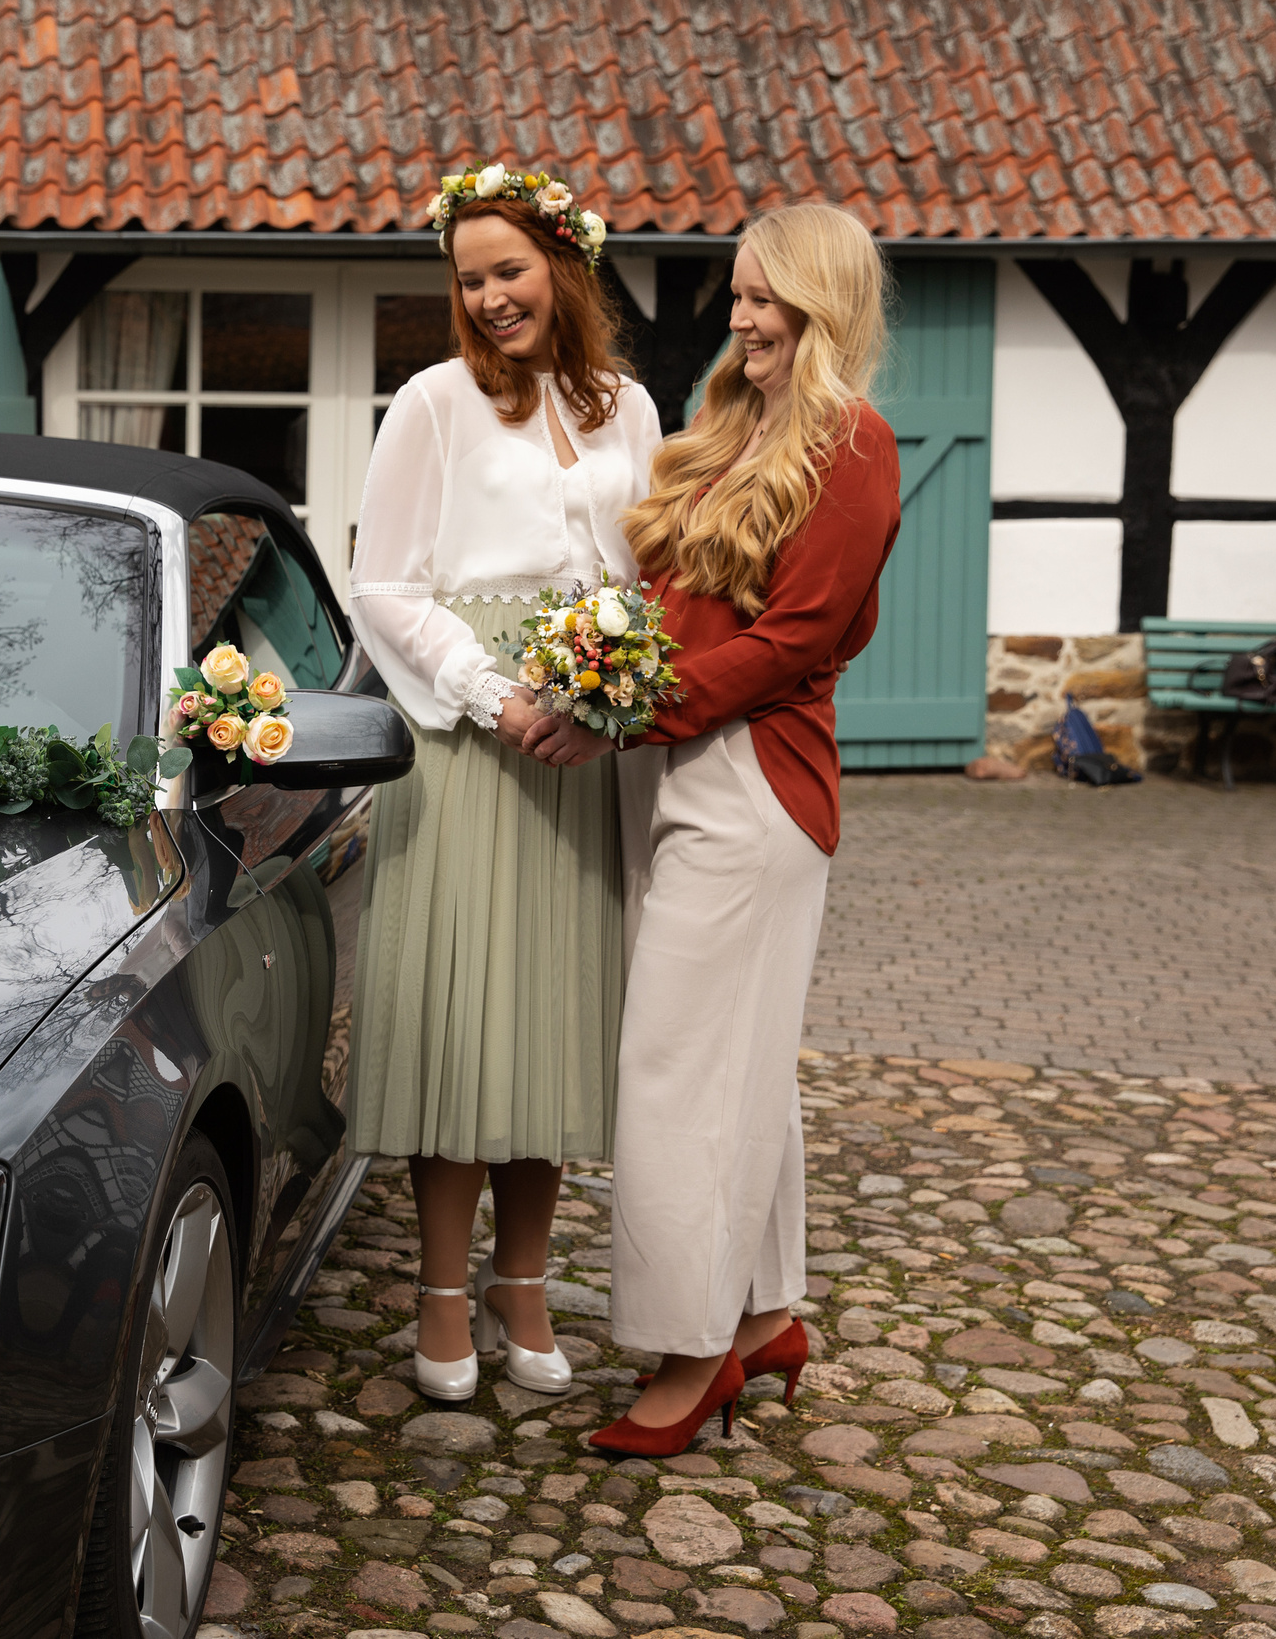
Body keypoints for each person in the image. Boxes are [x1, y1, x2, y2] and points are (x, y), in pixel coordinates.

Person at [537, 202, 901, 1456]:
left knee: (675, 1071)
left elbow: (792, 640)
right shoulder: (731, 425)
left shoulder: (853, 445)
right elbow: (669, 603)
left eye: (765, 299)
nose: (740, 317)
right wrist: (594, 674)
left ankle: (690, 1357)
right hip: (677, 766)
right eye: (737, 295)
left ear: (823, 304)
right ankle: (759, 1318)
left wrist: (619, 714)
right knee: (733, 1065)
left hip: (752, 783)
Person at [345, 164, 661, 1403]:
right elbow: (381, 585)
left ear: (563, 268)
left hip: (586, 755)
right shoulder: (431, 403)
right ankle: (436, 1295)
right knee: (463, 1033)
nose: (487, 299)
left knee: (550, 1025)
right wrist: (495, 692)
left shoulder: (629, 408)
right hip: (473, 742)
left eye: (509, 272)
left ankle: (522, 1288)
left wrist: (618, 687)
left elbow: (645, 573)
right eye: (469, 280)